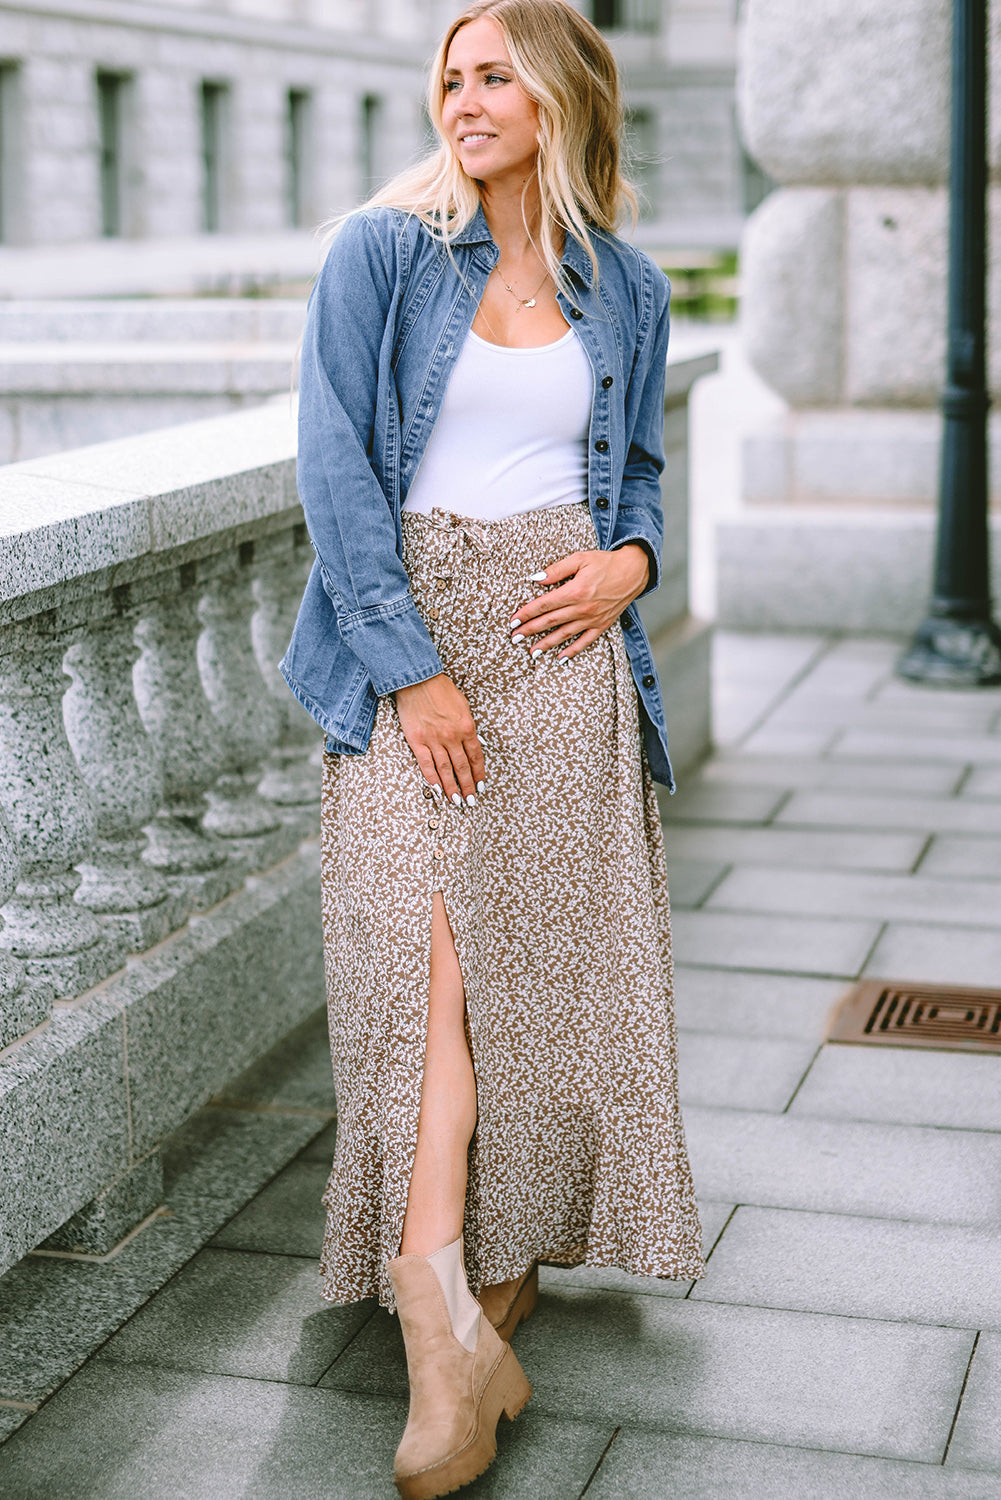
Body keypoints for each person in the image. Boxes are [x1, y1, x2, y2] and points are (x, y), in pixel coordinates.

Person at [281, 2, 704, 1494]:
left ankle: (472, 1295)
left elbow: (638, 473)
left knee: (518, 977)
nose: (464, 100)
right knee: (424, 963)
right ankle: (436, 1320)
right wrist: (411, 674)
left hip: (560, 645)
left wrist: (630, 567)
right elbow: (334, 468)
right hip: (414, 642)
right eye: (449, 78)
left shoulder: (626, 287)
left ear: (561, 94)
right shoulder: (382, 252)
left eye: (493, 75)